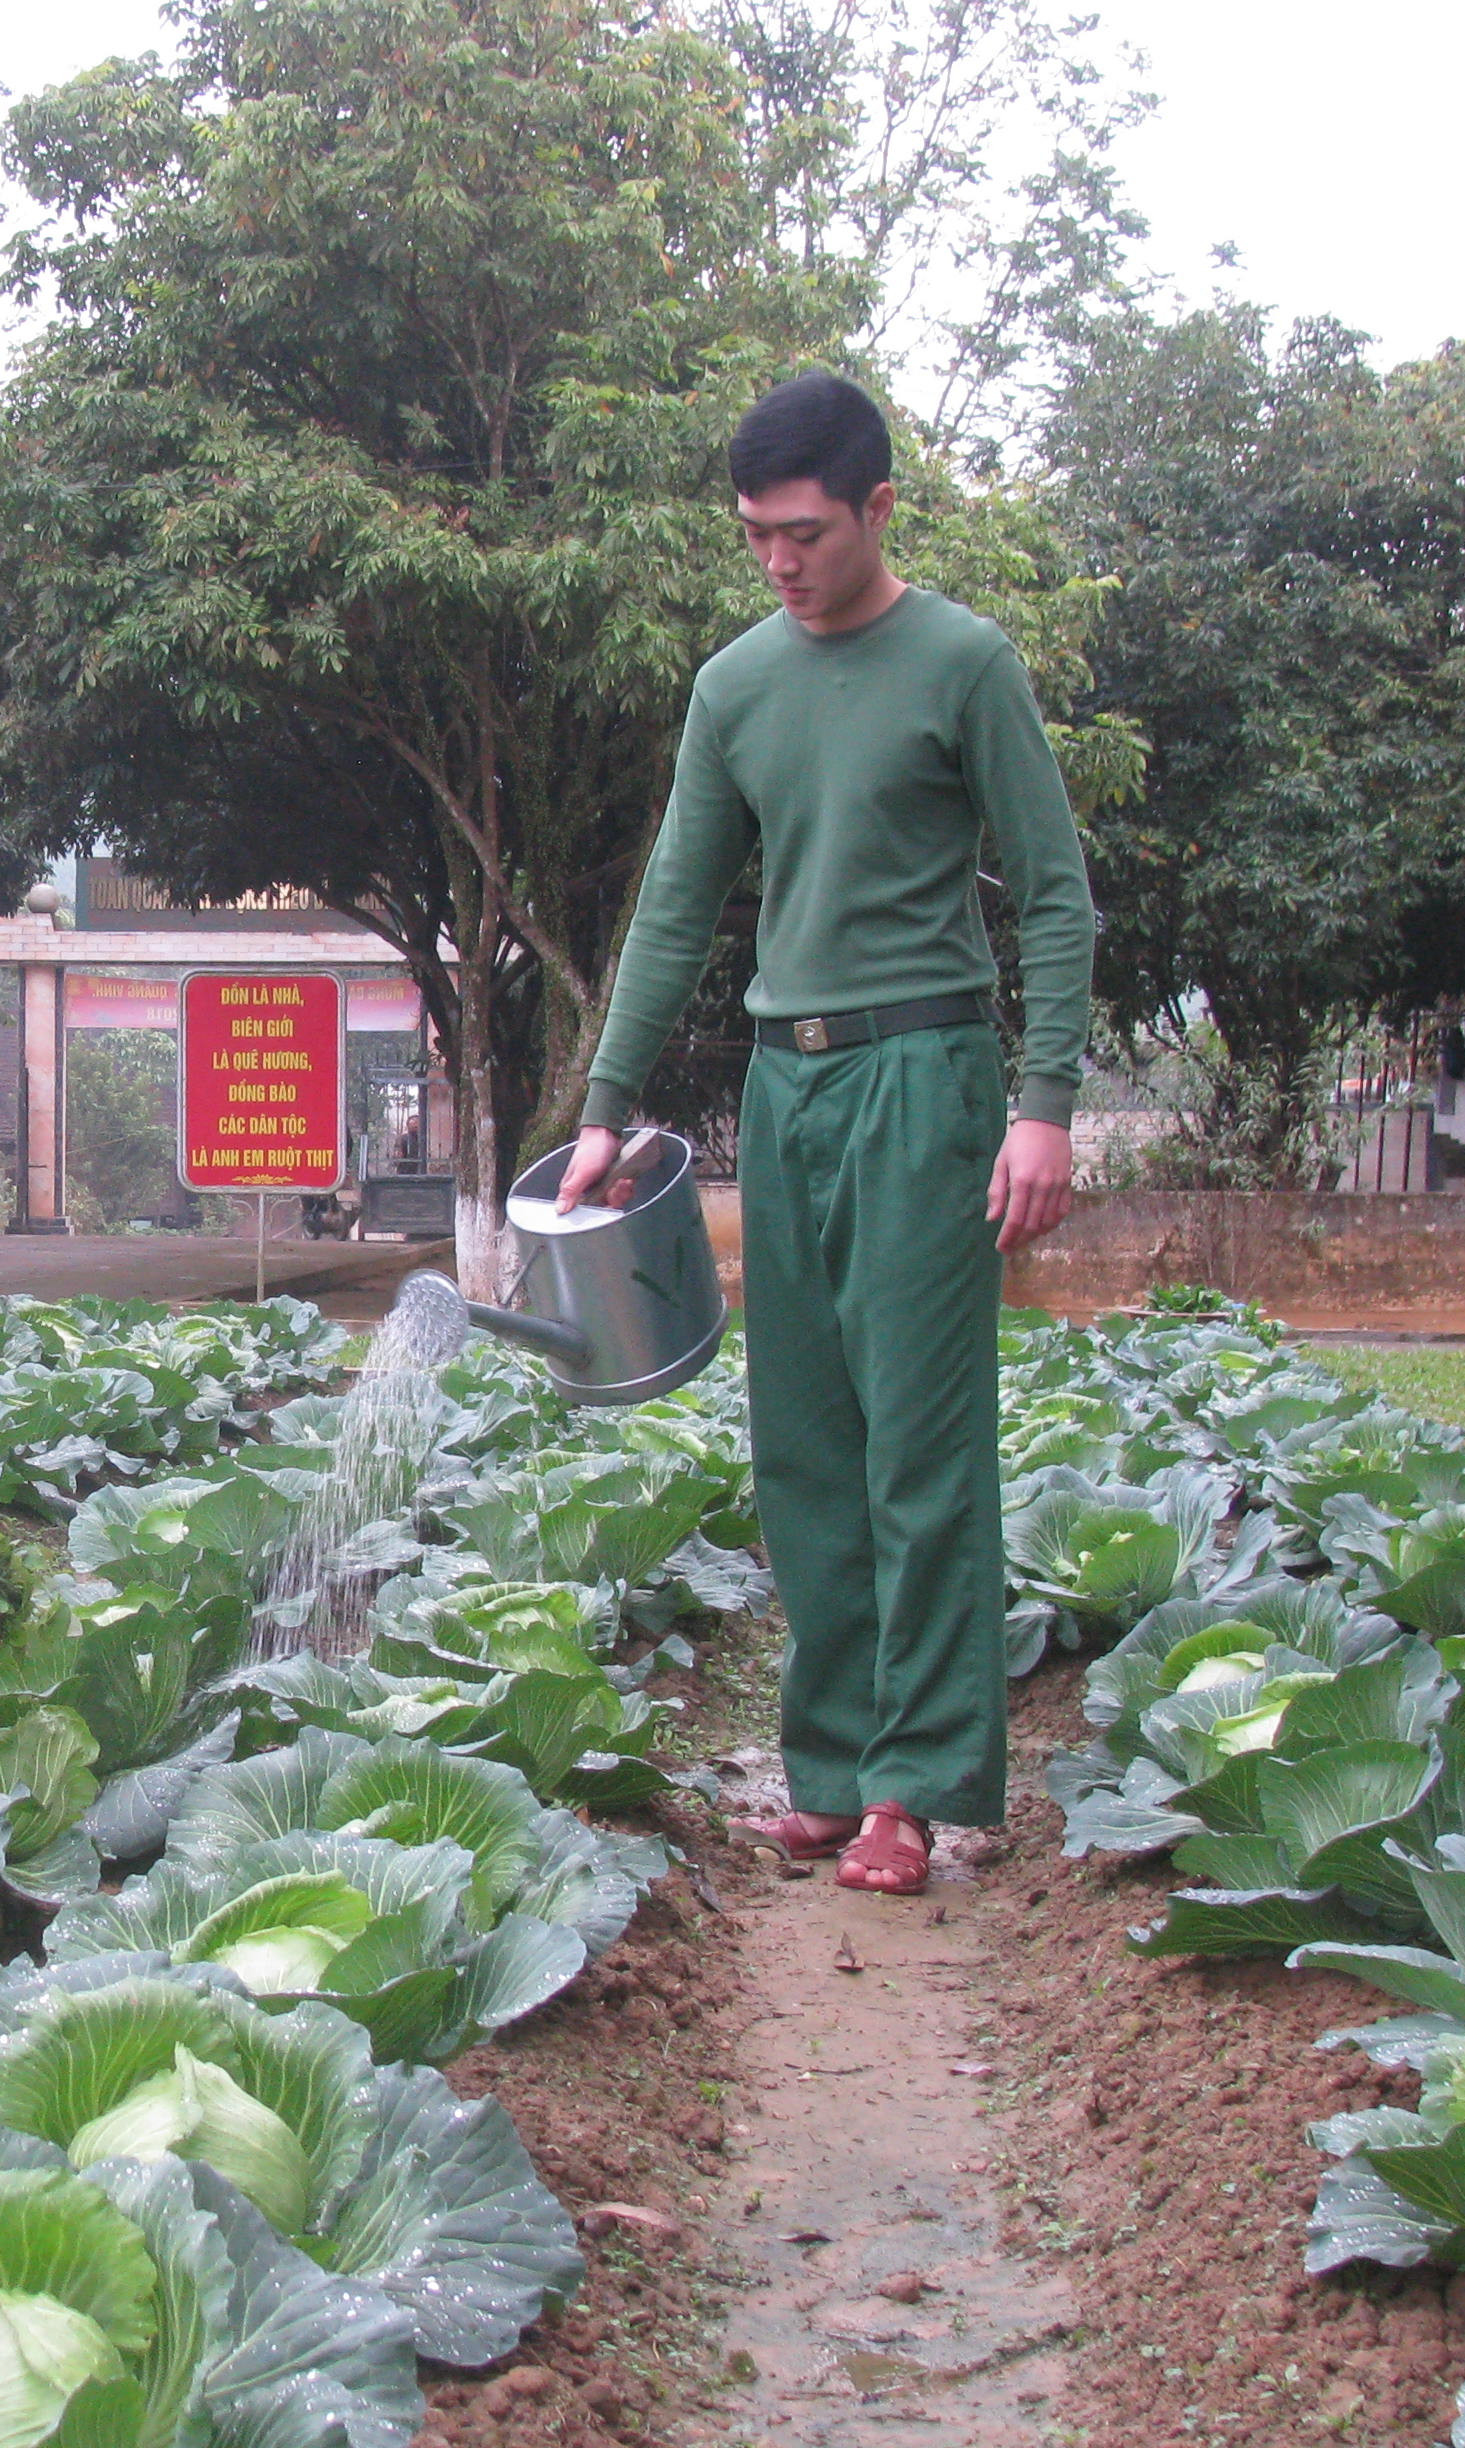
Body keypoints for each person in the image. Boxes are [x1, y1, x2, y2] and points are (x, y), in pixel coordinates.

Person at [553, 370, 1092, 1897]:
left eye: (804, 534)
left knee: (922, 1445)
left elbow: (1052, 893)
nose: (781, 564)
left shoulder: (965, 665)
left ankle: (915, 1792)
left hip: (927, 1077)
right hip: (785, 1093)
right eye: (755, 538)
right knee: (802, 1445)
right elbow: (673, 908)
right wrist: (607, 1112)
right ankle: (832, 1766)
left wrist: (1044, 1105)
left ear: (876, 512)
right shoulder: (734, 688)